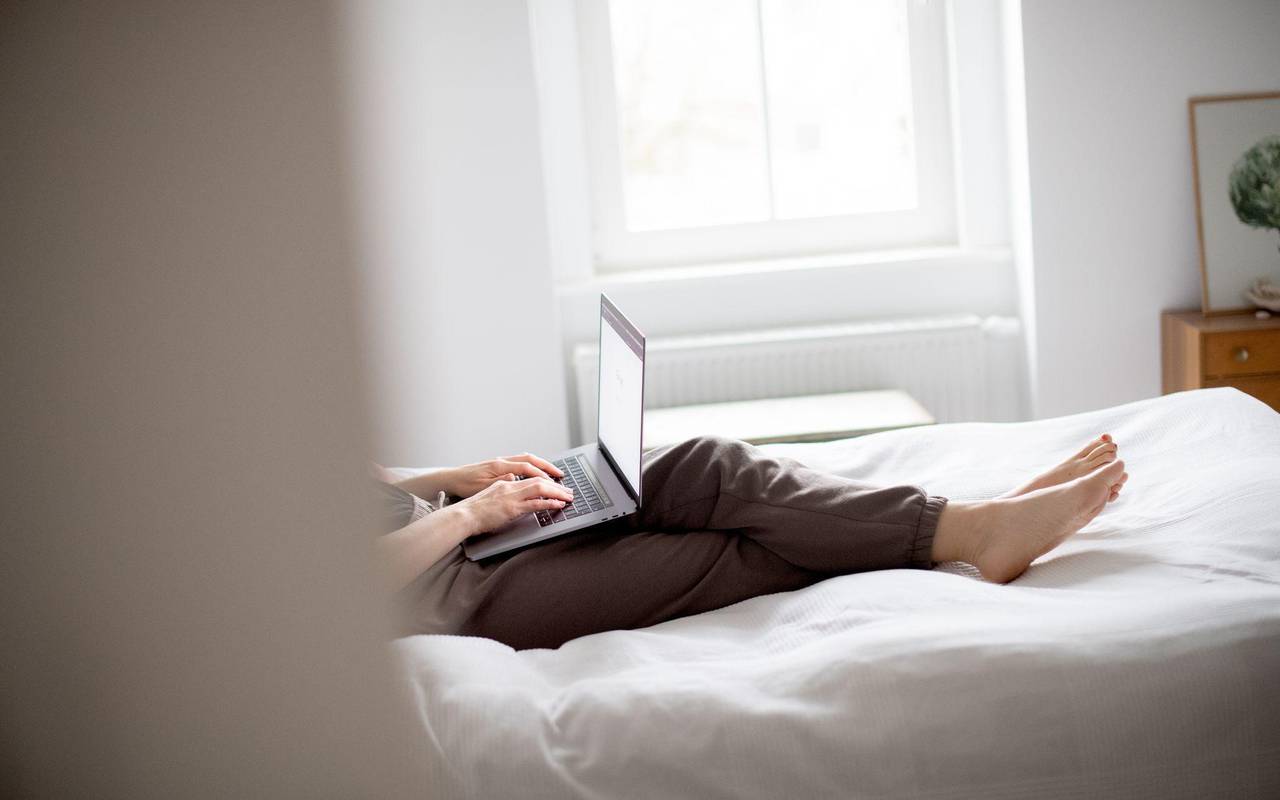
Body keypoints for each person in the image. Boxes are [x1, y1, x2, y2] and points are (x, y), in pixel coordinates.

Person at [374, 434, 1127, 650]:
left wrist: (459, 478)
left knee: (710, 463)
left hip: (458, 520)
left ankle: (972, 520)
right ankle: (974, 531)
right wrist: (471, 516)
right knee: (730, 556)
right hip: (453, 593)